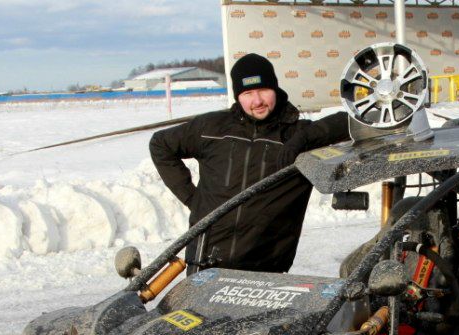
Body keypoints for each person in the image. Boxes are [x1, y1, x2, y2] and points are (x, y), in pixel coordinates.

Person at [149, 53, 349, 274]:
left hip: (264, 266)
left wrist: (303, 139)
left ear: (275, 89)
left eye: (263, 90)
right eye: (248, 93)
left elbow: (352, 122)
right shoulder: (211, 128)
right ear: (238, 96)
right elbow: (160, 144)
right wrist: (192, 199)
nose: (257, 101)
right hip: (206, 260)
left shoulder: (296, 135)